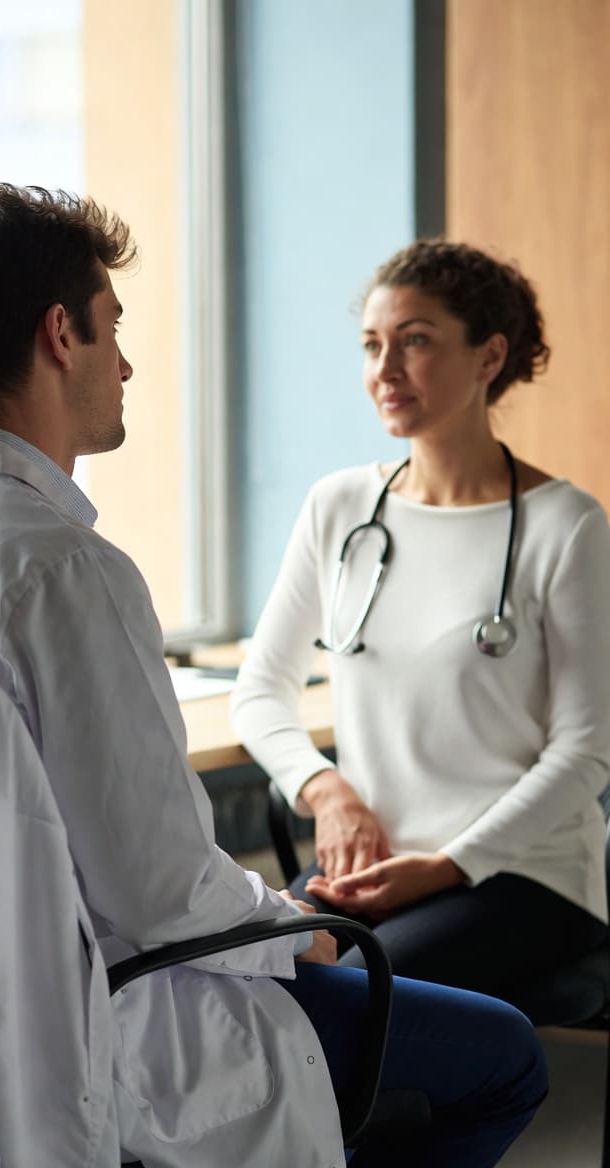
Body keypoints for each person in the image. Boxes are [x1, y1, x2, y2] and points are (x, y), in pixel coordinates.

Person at [0, 191, 546, 1166]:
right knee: (505, 1057)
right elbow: (156, 888)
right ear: (61, 336)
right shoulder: (61, 568)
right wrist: (288, 925)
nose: (125, 365)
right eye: (112, 327)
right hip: (110, 1016)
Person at [231, 238, 610, 1001]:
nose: (386, 369)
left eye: (416, 341)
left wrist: (446, 866)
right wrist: (327, 791)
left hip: (521, 874)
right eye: (372, 345)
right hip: (370, 866)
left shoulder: (566, 526)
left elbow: (586, 751)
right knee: (239, 977)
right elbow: (260, 690)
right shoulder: (340, 507)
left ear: (489, 356)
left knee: (338, 998)